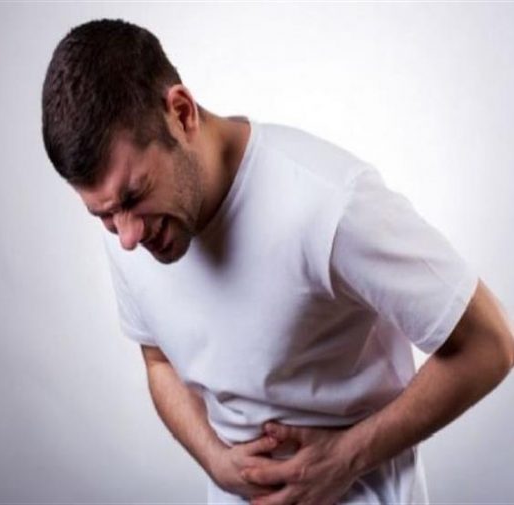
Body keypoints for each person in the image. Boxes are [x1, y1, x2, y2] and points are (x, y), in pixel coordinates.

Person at [41, 18, 514, 505]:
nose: (126, 236)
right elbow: (158, 359)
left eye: (134, 196)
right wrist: (215, 459)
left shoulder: (329, 204)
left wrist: (346, 458)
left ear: (181, 114)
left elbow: (490, 343)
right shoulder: (131, 227)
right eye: (103, 215)